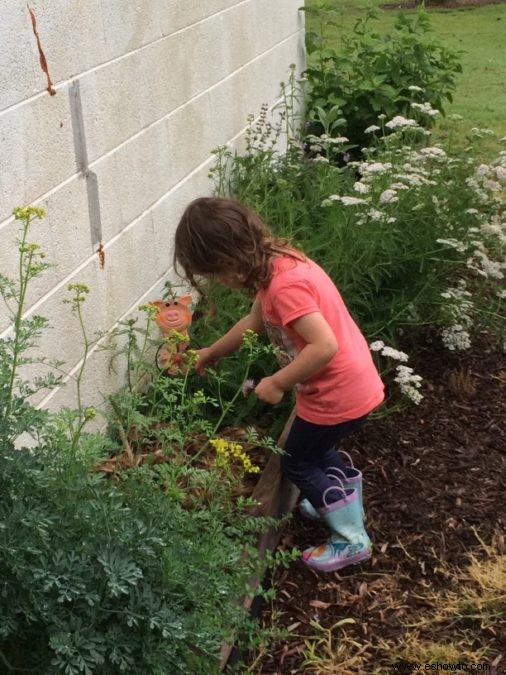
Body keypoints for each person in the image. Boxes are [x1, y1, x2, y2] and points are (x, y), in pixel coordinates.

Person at [173, 197, 384, 572]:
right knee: (316, 450)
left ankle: (351, 540)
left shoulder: (285, 286)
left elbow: (324, 346)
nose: (220, 281)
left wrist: (278, 381)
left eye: (217, 272)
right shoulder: (276, 263)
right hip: (349, 386)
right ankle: (335, 502)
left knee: (298, 462)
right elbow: (254, 320)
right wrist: (212, 352)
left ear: (229, 258)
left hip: (336, 393)